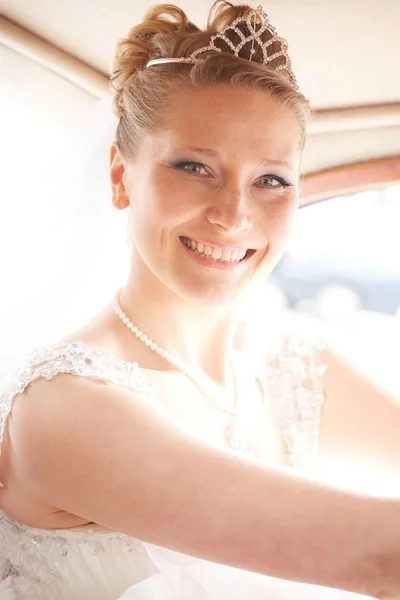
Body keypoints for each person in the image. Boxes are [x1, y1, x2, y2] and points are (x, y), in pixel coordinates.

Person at [0, 2, 400, 598]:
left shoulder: (292, 367)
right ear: (120, 177)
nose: (234, 215)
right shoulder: (68, 407)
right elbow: (378, 557)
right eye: (193, 166)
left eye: (271, 180)